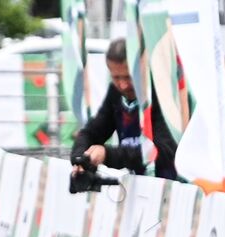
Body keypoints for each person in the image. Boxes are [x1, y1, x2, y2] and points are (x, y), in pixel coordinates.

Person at [70, 37, 177, 180]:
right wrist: (80, 158)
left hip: (169, 183)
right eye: (116, 78)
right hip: (138, 184)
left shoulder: (160, 93)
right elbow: (92, 132)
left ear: (141, 69)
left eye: (128, 77)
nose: (123, 85)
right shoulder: (115, 93)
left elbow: (164, 150)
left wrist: (108, 155)